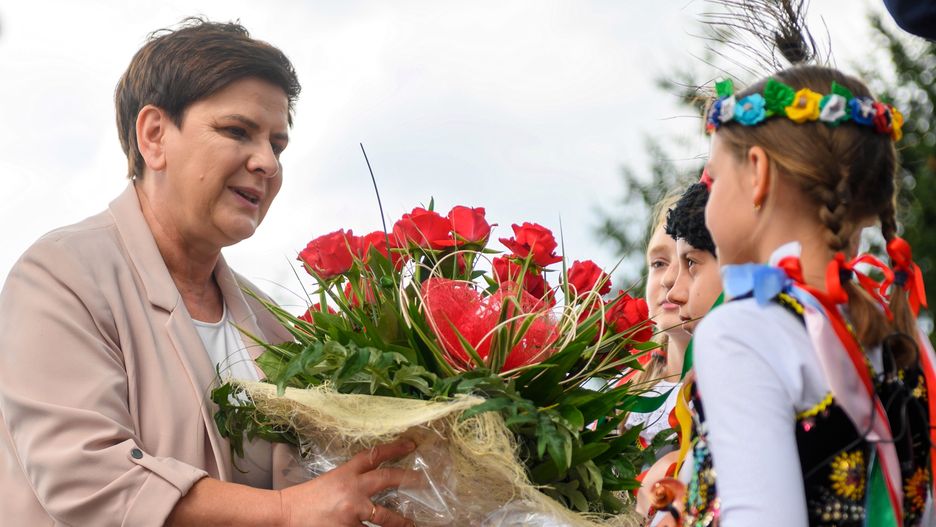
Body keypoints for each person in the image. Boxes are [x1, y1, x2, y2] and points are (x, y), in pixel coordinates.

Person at [0, 18, 414, 527]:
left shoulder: (270, 321)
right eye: (237, 131)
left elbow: (322, 490)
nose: (266, 163)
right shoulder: (60, 276)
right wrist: (285, 511)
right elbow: (87, 478)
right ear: (154, 136)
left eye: (278, 145)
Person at [686, 65, 934, 526]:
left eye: (714, 181)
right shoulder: (904, 334)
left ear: (757, 173)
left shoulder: (743, 330)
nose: (708, 204)